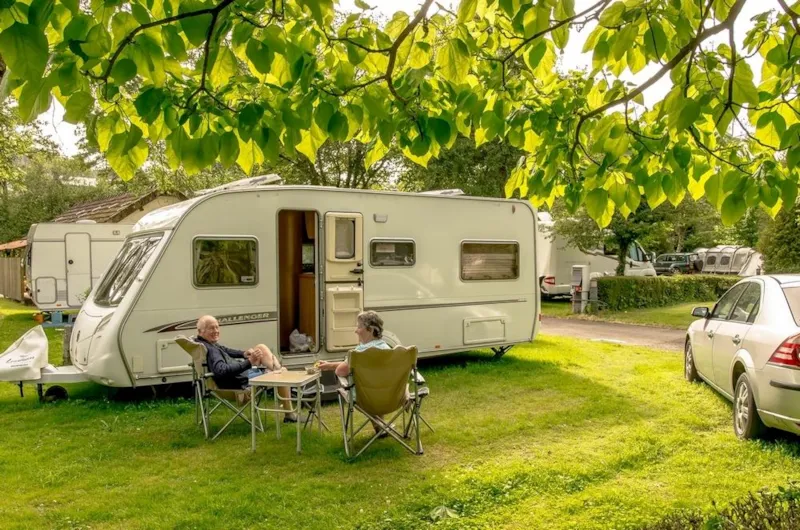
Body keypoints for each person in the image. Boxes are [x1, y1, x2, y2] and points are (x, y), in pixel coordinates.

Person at [196, 315, 297, 422]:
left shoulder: (207, 344)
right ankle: (289, 414)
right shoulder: (211, 350)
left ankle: (276, 369)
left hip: (241, 376)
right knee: (280, 374)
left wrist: (244, 354)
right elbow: (221, 370)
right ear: (201, 331)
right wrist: (249, 362)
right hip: (240, 383)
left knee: (261, 348)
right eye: (211, 328)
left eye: (217, 327)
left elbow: (225, 350)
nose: (216, 331)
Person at [318, 311, 394, 436]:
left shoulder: (359, 353)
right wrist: (329, 364)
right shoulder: (388, 350)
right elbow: (352, 365)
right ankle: (381, 427)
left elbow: (340, 371)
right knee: (376, 384)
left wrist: (331, 367)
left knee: (362, 389)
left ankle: (379, 426)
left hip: (365, 399)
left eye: (359, 327)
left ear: (369, 329)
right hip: (391, 397)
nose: (356, 331)